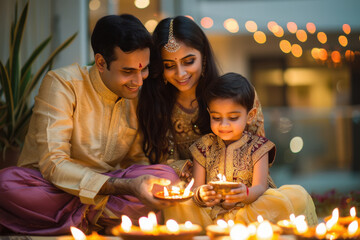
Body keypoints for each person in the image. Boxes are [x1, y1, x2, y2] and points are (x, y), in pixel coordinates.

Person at [0, 14, 179, 235]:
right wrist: (124, 187)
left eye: (144, 69)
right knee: (6, 184)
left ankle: (73, 219)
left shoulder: (134, 95)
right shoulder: (62, 84)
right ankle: (96, 217)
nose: (139, 81)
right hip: (51, 189)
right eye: (128, 71)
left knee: (165, 177)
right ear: (101, 63)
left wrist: (141, 182)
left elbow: (134, 160)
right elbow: (53, 164)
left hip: (106, 190)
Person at [166, 73, 318, 228]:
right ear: (209, 113)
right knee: (179, 205)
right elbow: (196, 187)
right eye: (217, 118)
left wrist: (245, 194)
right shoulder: (203, 147)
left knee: (296, 195)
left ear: (250, 116)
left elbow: (260, 187)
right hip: (212, 214)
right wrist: (202, 195)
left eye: (232, 118)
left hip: (248, 212)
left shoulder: (258, 146)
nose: (224, 125)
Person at [137, 16, 265, 183]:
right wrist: (185, 168)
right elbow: (160, 160)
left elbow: (260, 148)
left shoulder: (237, 96)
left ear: (203, 58)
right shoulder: (156, 103)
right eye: (169, 66)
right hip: (185, 187)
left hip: (243, 186)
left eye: (189, 61)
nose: (181, 73)